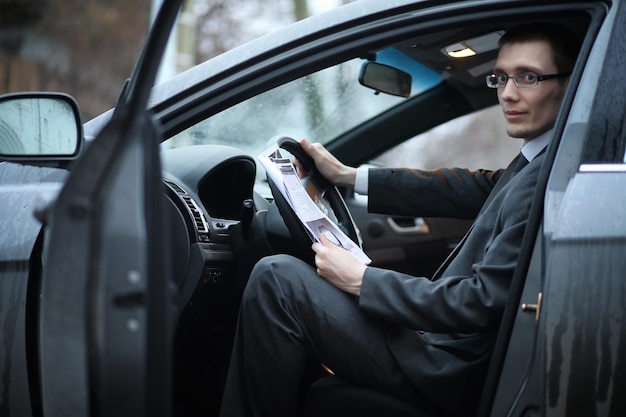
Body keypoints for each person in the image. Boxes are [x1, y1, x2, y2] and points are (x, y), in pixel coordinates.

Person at [219, 22, 581, 417]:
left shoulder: (548, 176)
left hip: (446, 370)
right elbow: (472, 188)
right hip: (444, 351)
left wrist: (360, 279)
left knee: (278, 279)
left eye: (528, 77)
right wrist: (349, 175)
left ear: (570, 82)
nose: (508, 93)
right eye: (501, 77)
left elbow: (479, 302)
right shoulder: (539, 161)